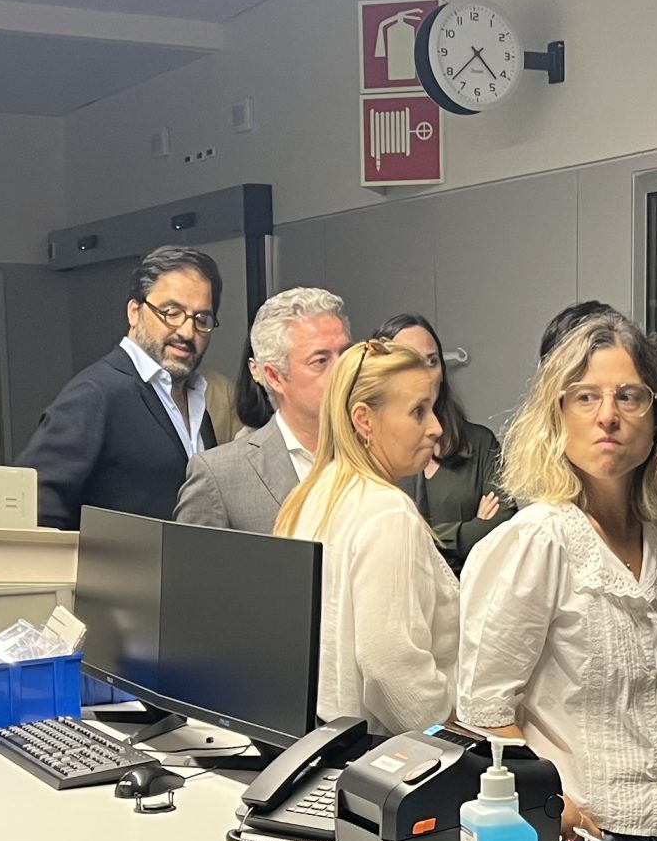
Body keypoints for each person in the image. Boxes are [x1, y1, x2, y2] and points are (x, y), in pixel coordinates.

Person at [459, 314, 657, 841]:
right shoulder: (536, 539)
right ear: (557, 414)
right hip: (580, 838)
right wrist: (552, 805)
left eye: (629, 396)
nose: (608, 415)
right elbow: (483, 710)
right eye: (586, 396)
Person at [274, 339, 458, 735]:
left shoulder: (308, 496)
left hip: (321, 740)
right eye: (418, 411)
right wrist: (448, 736)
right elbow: (390, 664)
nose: (436, 427)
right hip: (386, 749)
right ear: (364, 420)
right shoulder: (388, 511)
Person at [20, 245, 223, 525]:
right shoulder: (95, 395)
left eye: (202, 319)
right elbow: (34, 507)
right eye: (171, 312)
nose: (187, 332)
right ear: (134, 312)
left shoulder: (197, 403)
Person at [176, 287, 350, 532]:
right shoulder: (221, 475)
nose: (342, 371)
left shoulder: (384, 451)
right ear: (274, 376)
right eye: (320, 361)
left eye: (346, 355)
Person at [378, 312, 506, 572]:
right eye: (410, 362)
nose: (425, 374)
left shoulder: (480, 442)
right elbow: (388, 541)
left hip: (470, 589)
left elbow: (503, 526)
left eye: (432, 361)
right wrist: (469, 530)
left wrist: (428, 537)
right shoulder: (376, 450)